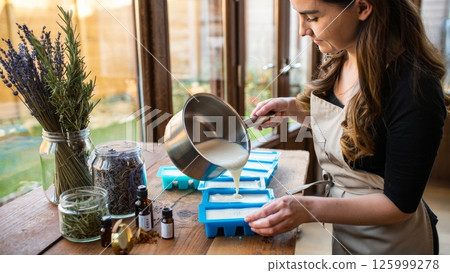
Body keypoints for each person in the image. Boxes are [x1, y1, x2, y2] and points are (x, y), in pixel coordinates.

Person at [245, 0, 450, 255]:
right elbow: (348, 121)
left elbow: (399, 205)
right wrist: (291, 107)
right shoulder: (340, 58)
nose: (302, 31)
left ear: (362, 8)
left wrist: (306, 208)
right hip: (346, 233)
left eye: (312, 18)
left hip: (392, 245)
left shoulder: (415, 88)